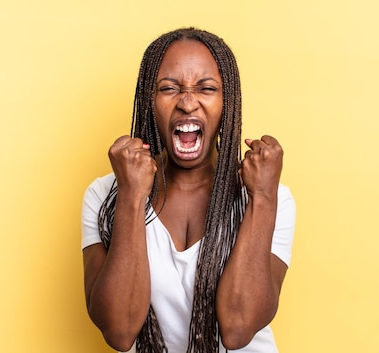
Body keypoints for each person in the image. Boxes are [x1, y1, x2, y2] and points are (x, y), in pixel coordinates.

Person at [81, 27, 295, 353]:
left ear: (228, 103)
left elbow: (238, 330)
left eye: (206, 88)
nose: (188, 103)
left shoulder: (270, 196)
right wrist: (131, 195)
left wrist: (263, 198)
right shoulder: (105, 196)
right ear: (149, 103)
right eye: (169, 88)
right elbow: (120, 332)